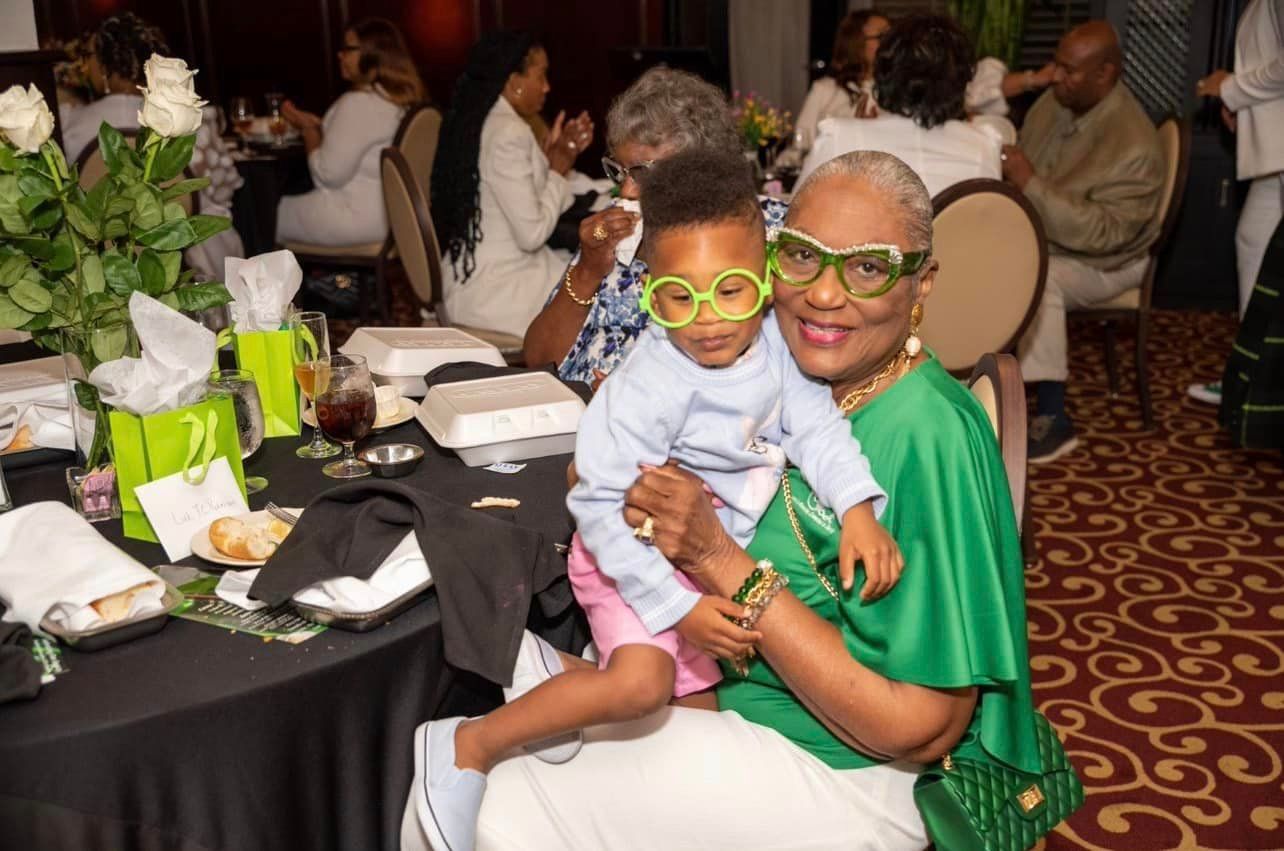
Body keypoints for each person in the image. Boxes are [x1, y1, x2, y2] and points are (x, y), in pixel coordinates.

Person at [400, 150, 1039, 851]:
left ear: (921, 284)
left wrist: (712, 553)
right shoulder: (777, 364)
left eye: (866, 266)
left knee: (495, 803)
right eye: (802, 257)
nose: (825, 294)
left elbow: (924, 727)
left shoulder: (926, 433)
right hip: (736, 689)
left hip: (851, 771)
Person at [522, 66, 786, 384]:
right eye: (619, 171)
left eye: (643, 172)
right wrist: (587, 271)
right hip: (574, 413)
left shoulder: (762, 232)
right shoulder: (618, 228)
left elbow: (769, 372)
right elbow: (538, 360)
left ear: (703, 164)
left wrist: (638, 403)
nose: (627, 190)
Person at [1001, 20, 1164, 462]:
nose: (1056, 77)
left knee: (1041, 280)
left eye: (1069, 70)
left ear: (1105, 74)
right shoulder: (1059, 101)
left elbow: (1104, 234)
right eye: (1057, 64)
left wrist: (1029, 184)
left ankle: (1054, 417)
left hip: (1113, 262)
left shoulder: (1135, 145)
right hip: (1053, 239)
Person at [430, 31, 592, 338]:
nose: (547, 87)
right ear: (513, 81)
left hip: (470, 274)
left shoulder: (482, 119)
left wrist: (548, 160)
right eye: (541, 75)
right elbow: (531, 235)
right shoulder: (509, 133)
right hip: (496, 291)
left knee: (580, 269)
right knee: (598, 291)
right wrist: (558, 169)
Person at [59, 13, 244, 278]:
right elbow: (225, 188)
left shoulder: (70, 125)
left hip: (103, 261)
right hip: (189, 258)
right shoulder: (190, 116)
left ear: (102, 66)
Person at [1187, 0, 1284, 405]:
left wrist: (1229, 87)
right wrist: (1239, 103)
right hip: (1273, 151)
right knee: (1253, 244)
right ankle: (1249, 377)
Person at [799, 14, 1001, 198]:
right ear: (962, 80)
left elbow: (795, 216)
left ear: (884, 73)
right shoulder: (983, 146)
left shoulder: (840, 136)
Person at [276, 17, 424, 247]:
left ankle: (249, 282)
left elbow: (327, 175)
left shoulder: (358, 103)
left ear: (371, 54)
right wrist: (321, 128)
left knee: (257, 214)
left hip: (353, 219)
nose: (340, 55)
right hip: (397, 220)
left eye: (348, 49)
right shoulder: (402, 100)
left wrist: (309, 132)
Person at [778, 9, 890, 168]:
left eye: (891, 36)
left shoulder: (897, 94)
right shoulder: (825, 90)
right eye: (881, 36)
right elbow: (799, 150)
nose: (889, 44)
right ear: (856, 43)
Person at [59, 12, 168, 161]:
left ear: (103, 67)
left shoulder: (70, 126)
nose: (86, 65)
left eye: (88, 55)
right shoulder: (182, 119)